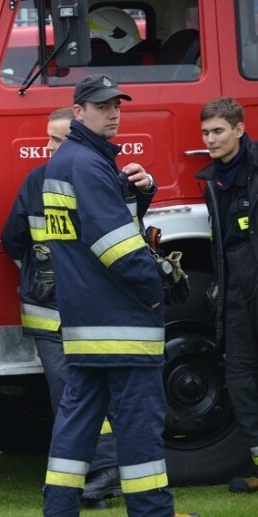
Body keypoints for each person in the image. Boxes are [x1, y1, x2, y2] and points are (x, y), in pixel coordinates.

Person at [40, 74, 196, 517]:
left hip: (85, 321)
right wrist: (156, 287)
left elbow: (87, 231)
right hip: (122, 322)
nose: (112, 112)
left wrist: (139, 194)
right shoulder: (89, 164)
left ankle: (58, 509)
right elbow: (118, 248)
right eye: (102, 106)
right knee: (138, 429)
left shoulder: (70, 160)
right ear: (78, 112)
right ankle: (152, 512)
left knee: (76, 425)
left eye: (116, 105)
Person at [1, 107, 122, 509]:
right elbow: (12, 239)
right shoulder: (38, 180)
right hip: (51, 312)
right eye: (49, 139)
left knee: (80, 393)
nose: (49, 147)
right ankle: (95, 474)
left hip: (85, 312)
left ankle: (102, 471)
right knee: (69, 393)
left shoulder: (94, 176)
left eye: (59, 139)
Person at [195, 97, 258, 494]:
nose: (210, 139)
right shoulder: (213, 181)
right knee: (239, 377)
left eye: (218, 131)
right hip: (236, 292)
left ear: (239, 128)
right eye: (205, 133)